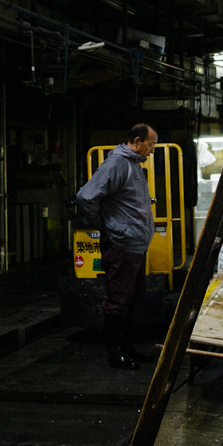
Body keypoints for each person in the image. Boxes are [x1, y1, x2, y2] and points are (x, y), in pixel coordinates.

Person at [76, 123, 158, 369]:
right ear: (136, 140)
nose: (152, 150)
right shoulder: (117, 164)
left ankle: (128, 348)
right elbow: (86, 196)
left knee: (133, 296)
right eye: (151, 144)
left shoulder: (133, 164)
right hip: (121, 244)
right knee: (119, 300)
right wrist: (105, 225)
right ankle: (116, 353)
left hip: (135, 244)